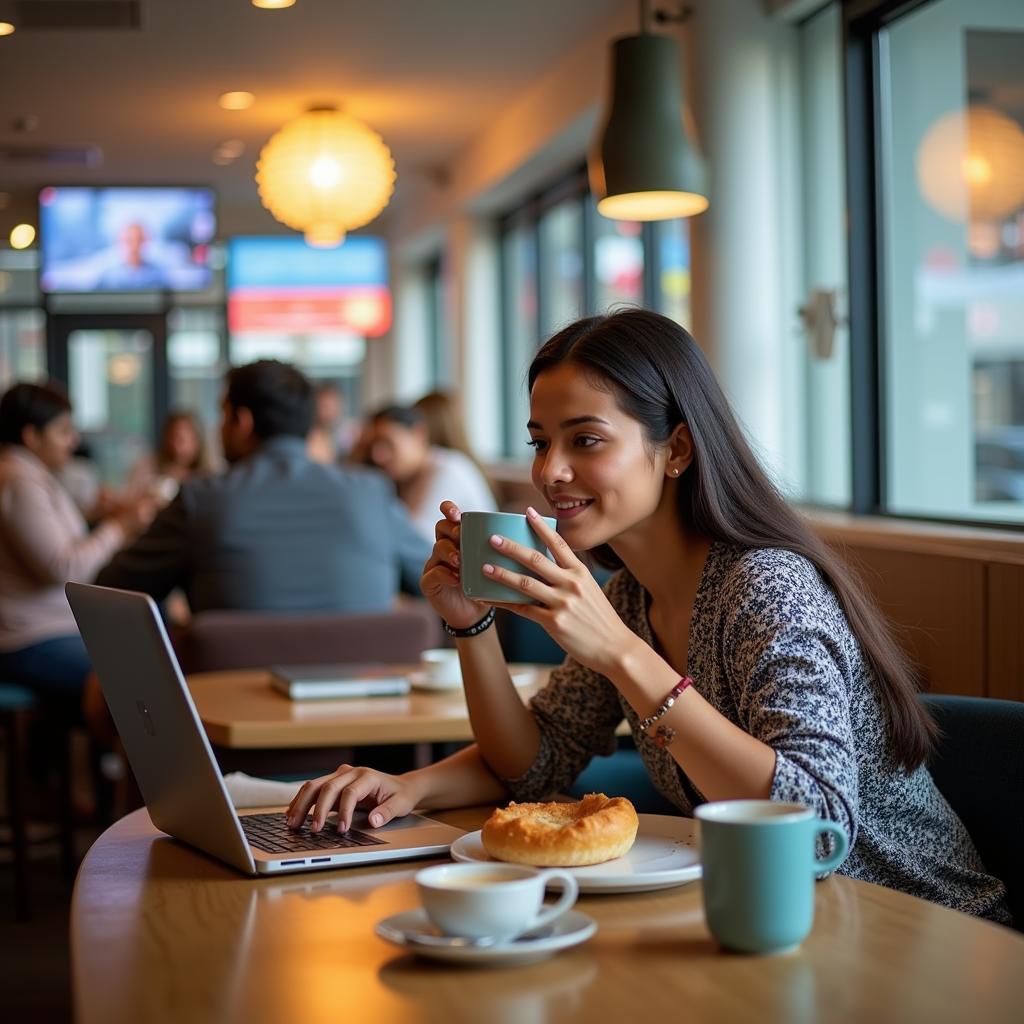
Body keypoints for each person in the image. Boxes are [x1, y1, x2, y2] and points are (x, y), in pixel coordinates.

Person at [288, 309, 1012, 925]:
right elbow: (535, 763)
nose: (550, 471)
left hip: (915, 931)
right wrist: (465, 639)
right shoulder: (632, 595)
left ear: (678, 450)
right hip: (779, 922)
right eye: (542, 440)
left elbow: (817, 826)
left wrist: (622, 656)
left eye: (586, 439)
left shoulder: (765, 587)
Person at [96, 360, 430, 614]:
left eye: (222, 416)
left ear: (243, 422)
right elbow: (434, 580)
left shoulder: (201, 499)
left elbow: (111, 589)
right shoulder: (371, 493)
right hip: (367, 698)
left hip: (225, 703)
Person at [0, 382, 153, 712]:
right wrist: (119, 527)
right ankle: (112, 761)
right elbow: (62, 567)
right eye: (64, 431)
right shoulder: (18, 481)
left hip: (51, 631)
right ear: (31, 436)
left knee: (145, 658)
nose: (74, 441)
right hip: (30, 640)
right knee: (137, 678)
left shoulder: (29, 475)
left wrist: (98, 516)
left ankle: (106, 760)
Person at [362, 402, 497, 542]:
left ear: (418, 433)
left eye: (387, 443)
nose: (377, 456)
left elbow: (414, 542)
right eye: (372, 446)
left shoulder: (448, 470)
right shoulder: (403, 478)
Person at [124, 408, 214, 504]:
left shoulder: (210, 478)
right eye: (171, 437)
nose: (175, 445)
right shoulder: (146, 467)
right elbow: (127, 499)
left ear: (197, 441)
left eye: (181, 440)